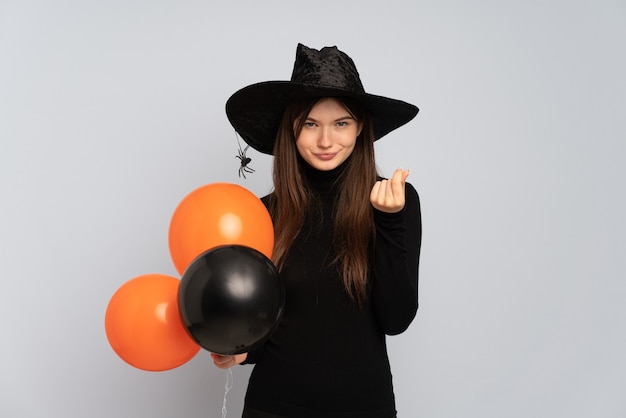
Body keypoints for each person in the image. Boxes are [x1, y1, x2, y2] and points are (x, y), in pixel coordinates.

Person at [213, 43, 422, 418]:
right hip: (273, 405)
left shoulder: (393, 200)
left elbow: (397, 319)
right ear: (291, 131)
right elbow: (272, 315)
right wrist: (244, 350)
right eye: (310, 124)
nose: (326, 141)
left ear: (361, 128)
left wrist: (388, 220)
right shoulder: (265, 212)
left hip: (363, 407)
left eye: (341, 123)